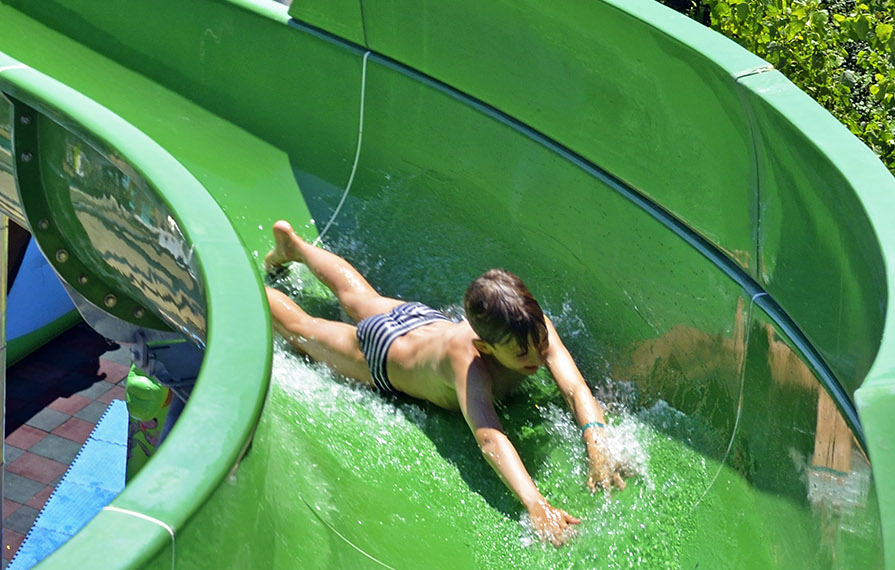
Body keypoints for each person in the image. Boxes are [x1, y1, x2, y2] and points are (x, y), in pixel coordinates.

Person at [264, 221, 635, 543]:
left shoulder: (529, 330)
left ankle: (294, 248)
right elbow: (490, 435)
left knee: (360, 296)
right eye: (522, 355)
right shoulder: (470, 367)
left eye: (540, 345)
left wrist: (596, 441)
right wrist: (536, 504)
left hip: (420, 322)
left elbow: (575, 389)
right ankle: (249, 287)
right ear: (484, 346)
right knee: (303, 332)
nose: (538, 357)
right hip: (385, 353)